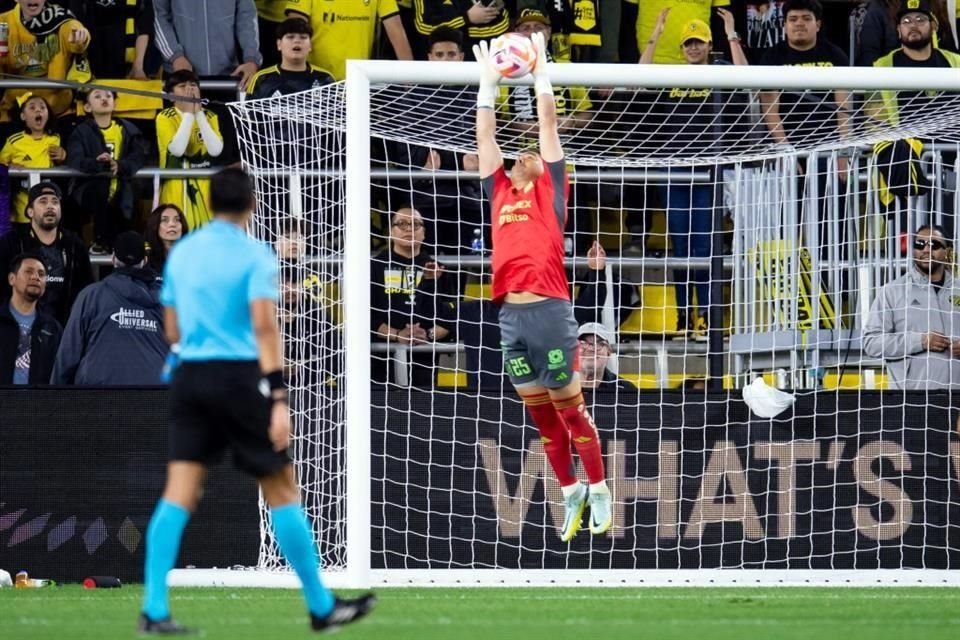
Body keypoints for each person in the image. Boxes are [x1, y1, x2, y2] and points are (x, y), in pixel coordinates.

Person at [138, 168, 374, 634]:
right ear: (251, 205)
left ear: (208, 201)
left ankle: (154, 610)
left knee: (179, 491)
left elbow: (171, 330)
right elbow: (266, 327)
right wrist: (279, 396)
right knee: (282, 488)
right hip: (239, 378)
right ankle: (321, 607)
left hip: (190, 376)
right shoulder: (254, 254)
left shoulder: (182, 252)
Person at [475, 32, 612, 542]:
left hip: (551, 312)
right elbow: (485, 139)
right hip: (511, 318)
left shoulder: (552, 193)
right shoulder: (499, 192)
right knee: (543, 419)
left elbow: (550, 122)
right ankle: (569, 488)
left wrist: (541, 72)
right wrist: (487, 83)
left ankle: (598, 486)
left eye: (535, 150)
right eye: (522, 150)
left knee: (571, 411)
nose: (528, 151)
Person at [642, 8, 746, 339]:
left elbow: (749, 77)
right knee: (682, 248)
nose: (693, 49)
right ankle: (684, 318)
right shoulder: (671, 76)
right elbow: (638, 77)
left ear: (708, 44)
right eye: (688, 44)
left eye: (698, 42)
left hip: (709, 172)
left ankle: (707, 318)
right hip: (675, 172)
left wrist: (731, 31)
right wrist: (655, 34)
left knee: (706, 249)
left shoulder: (721, 73)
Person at [50, 231, 167, 385]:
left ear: (113, 259)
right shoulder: (167, 302)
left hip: (99, 398)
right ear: (145, 261)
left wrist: (54, 399)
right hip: (155, 398)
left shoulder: (90, 296)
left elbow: (68, 354)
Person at [862, 224, 960, 389]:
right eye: (920, 244)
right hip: (911, 400)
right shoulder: (892, 291)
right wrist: (920, 341)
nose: (926, 250)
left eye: (934, 245)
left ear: (947, 252)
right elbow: (872, 343)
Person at [370, 206, 457, 386]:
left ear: (424, 233)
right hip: (379, 356)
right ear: (391, 231)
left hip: (424, 356)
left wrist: (427, 335)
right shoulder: (374, 267)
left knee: (423, 408)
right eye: (402, 224)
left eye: (416, 224)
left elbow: (452, 317)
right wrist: (397, 335)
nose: (409, 229)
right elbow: (366, 315)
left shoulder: (438, 269)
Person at [759, 0, 850, 149]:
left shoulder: (836, 56)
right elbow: (770, 111)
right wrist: (786, 150)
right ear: (785, 26)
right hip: (784, 144)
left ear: (818, 25)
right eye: (793, 19)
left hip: (828, 145)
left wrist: (843, 150)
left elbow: (844, 109)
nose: (799, 23)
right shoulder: (771, 57)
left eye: (806, 18)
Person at [0, 182, 94, 326]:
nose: (50, 206)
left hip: (64, 329)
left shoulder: (75, 245)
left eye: (55, 202)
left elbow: (87, 289)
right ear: (30, 211)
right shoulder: (11, 242)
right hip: (18, 326)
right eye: (43, 201)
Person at [66, 88, 146, 254]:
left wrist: (120, 165)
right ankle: (99, 241)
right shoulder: (81, 132)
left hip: (121, 189)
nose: (104, 99)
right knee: (99, 190)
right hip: (90, 191)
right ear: (87, 107)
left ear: (115, 103)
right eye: (98, 96)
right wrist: (97, 164)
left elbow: (138, 156)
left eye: (108, 96)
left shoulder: (127, 129)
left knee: (126, 209)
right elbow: (75, 159)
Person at [0, 0, 91, 124]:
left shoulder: (60, 18)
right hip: (14, 109)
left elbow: (74, 33)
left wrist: (81, 36)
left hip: (58, 109)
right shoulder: (3, 22)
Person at [155, 69, 225, 231]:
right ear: (171, 95)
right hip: (176, 185)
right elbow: (177, 150)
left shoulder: (210, 116)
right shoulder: (165, 117)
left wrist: (198, 114)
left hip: (206, 185)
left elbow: (215, 150)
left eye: (193, 85)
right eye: (182, 86)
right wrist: (188, 114)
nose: (189, 89)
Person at [284, 0, 413, 81]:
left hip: (357, 83)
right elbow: (294, 30)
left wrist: (411, 80)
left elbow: (396, 31)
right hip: (315, 83)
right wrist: (296, 78)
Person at [154, 0, 261, 87]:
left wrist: (251, 59)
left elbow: (246, 16)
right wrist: (175, 57)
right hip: (181, 75)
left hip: (228, 77)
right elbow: (158, 17)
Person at [0, 93, 66, 227]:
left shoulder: (56, 138)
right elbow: (1, 163)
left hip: (48, 207)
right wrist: (10, 166)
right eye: (32, 107)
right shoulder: (14, 141)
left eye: (43, 107)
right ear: (23, 116)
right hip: (21, 209)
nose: (38, 110)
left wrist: (63, 155)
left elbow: (65, 165)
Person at [0, 252, 61, 385]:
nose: (35, 277)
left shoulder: (52, 327)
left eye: (41, 274)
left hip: (39, 404)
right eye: (28, 271)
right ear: (12, 279)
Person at [247, 18, 335, 100]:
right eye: (290, 37)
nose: (297, 41)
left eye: (303, 37)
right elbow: (248, 115)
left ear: (310, 46)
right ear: (279, 44)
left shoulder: (325, 79)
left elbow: (338, 114)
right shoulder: (262, 79)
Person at [629, 0, 729, 64]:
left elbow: (720, 25)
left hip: (697, 64)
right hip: (651, 65)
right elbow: (627, 21)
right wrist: (630, 66)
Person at [412, 0, 510, 61]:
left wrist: (460, 28)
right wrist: (466, 18)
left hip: (480, 60)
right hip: (437, 63)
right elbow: (423, 26)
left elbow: (501, 24)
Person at [576, 322, 637, 395]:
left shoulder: (626, 389)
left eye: (599, 344)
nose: (590, 349)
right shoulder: (560, 386)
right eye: (583, 343)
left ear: (609, 352)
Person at [144, 203, 187, 276]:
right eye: (165, 220)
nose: (172, 224)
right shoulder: (148, 264)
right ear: (154, 226)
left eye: (177, 220)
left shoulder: (193, 259)